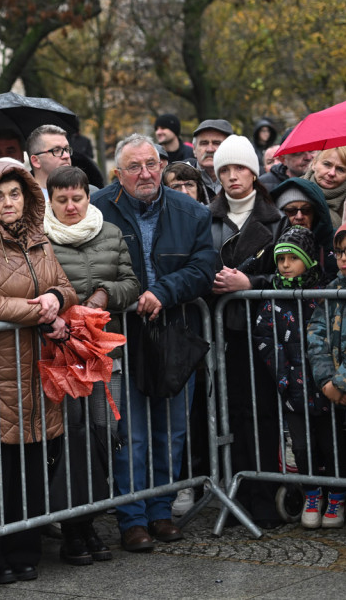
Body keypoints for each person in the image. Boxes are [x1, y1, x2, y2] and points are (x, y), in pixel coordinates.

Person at [0, 158, 77, 584]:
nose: (7, 202)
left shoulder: (38, 240)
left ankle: (24, 550)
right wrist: (39, 313)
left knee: (29, 467)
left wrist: (57, 298)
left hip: (33, 372)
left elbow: (65, 285)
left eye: (15, 193)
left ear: (27, 197)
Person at [91, 134, 215, 552]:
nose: (145, 173)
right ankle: (132, 517)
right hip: (120, 335)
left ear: (162, 165)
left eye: (152, 164)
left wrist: (165, 290)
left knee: (171, 428)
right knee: (131, 432)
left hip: (174, 331)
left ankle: (161, 511)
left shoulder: (191, 211)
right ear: (118, 173)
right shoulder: (97, 210)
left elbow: (204, 266)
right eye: (134, 167)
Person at [44, 166, 140, 564]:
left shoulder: (111, 233)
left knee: (104, 434)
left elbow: (132, 282)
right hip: (62, 357)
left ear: (88, 197)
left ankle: (92, 523)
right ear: (50, 200)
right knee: (71, 437)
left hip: (103, 355)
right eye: (61, 200)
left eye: (77, 198)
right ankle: (73, 530)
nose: (70, 206)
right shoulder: (40, 239)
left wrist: (103, 294)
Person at [208, 134, 288, 528]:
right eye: (224, 169)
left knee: (264, 415)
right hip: (225, 332)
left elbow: (293, 276)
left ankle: (265, 497)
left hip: (267, 331)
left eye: (239, 167)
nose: (232, 176)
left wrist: (250, 286)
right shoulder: (207, 217)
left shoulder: (277, 219)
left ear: (254, 173)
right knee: (233, 414)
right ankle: (237, 493)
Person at [251, 226, 334, 530]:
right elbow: (263, 338)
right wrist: (283, 377)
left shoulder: (327, 292)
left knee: (331, 442)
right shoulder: (273, 296)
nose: (284, 264)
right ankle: (312, 493)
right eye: (280, 258)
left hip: (325, 385)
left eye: (292, 258)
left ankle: (336, 494)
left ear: (309, 260)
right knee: (300, 446)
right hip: (292, 388)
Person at [308, 221, 346, 532]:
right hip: (336, 386)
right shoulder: (331, 288)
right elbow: (315, 334)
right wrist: (327, 382)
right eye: (339, 252)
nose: (344, 258)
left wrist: (343, 382)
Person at [271, 178, 337, 280]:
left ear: (316, 213)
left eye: (306, 210)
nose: (299, 216)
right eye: (291, 211)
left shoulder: (335, 241)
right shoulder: (269, 243)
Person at [304, 146, 346, 229]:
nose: (332, 173)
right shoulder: (295, 190)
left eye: (340, 169)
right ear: (314, 164)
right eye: (327, 164)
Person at [187, 119, 233, 199]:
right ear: (194, 149)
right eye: (204, 143)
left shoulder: (243, 179)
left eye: (217, 143)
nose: (210, 149)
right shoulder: (180, 179)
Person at [25, 124, 72, 194]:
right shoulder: (21, 200)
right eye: (56, 150)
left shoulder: (89, 194)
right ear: (36, 161)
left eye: (67, 149)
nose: (66, 155)